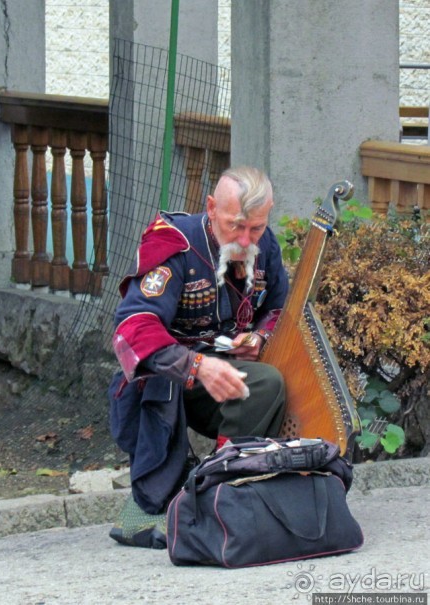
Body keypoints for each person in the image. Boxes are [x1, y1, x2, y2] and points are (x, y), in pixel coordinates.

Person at [108, 166, 290, 536]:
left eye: (255, 228)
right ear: (210, 207)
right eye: (235, 226)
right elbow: (133, 326)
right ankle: (153, 509)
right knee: (168, 386)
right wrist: (198, 366)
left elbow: (277, 309)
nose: (244, 239)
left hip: (223, 373)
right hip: (169, 381)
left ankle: (222, 489)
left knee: (268, 382)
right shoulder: (173, 244)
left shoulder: (264, 243)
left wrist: (259, 338)